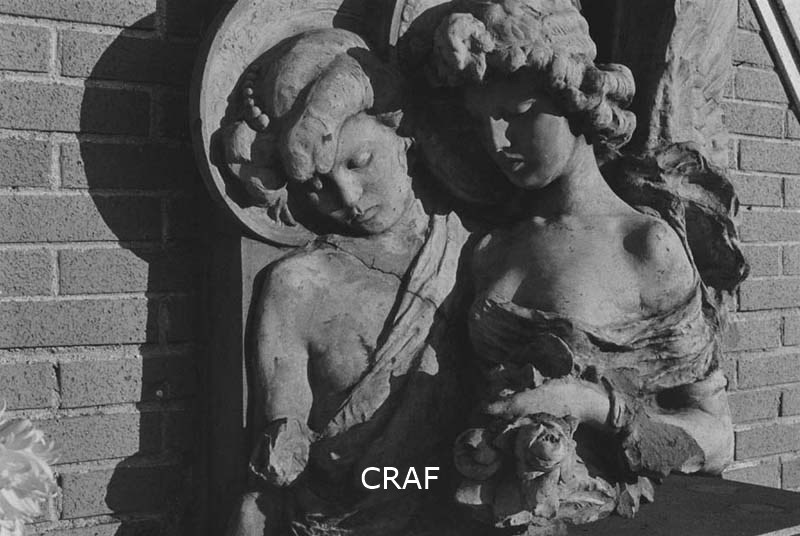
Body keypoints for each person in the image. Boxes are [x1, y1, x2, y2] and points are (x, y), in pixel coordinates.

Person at [428, 0, 742, 529]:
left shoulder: (645, 247)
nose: (497, 142)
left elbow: (718, 437)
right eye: (481, 121)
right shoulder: (488, 248)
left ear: (576, 101)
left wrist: (596, 406)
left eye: (517, 114)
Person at [222, 29, 470, 536]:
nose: (349, 198)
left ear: (402, 135)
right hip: (334, 513)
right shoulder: (298, 284)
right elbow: (281, 442)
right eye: (318, 185)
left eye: (359, 162)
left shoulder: (475, 251)